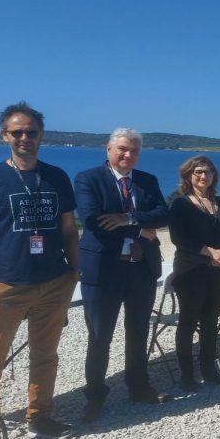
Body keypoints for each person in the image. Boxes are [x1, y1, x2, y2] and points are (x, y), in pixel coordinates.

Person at [0, 102, 80, 439]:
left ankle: (40, 416)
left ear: (41, 135)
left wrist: (74, 272)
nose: (24, 138)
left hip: (53, 281)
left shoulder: (56, 176)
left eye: (31, 132)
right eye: (17, 132)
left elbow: (68, 229)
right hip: (6, 284)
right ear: (5, 135)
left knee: (45, 355)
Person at [76, 128, 171, 422]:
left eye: (133, 151)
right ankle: (95, 396)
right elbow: (93, 220)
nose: (128, 155)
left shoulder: (147, 180)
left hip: (141, 268)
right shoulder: (88, 179)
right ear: (108, 149)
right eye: (122, 149)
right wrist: (142, 229)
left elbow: (164, 215)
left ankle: (138, 387)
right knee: (99, 336)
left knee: (138, 331)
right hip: (104, 271)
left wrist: (127, 219)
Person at [168, 156, 220, 390]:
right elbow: (179, 238)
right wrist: (210, 252)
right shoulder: (180, 203)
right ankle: (187, 375)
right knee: (188, 322)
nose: (203, 176)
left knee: (210, 320)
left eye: (207, 172)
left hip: (218, 269)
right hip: (190, 270)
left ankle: (208, 369)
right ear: (188, 175)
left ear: (214, 175)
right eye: (198, 172)